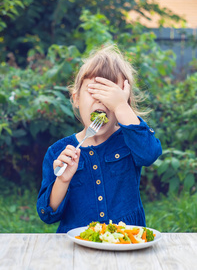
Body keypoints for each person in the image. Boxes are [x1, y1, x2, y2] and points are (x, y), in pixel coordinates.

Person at [37, 44, 162, 233]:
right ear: (76, 98)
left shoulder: (129, 140)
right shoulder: (58, 152)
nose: (102, 100)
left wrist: (121, 107)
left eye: (111, 94)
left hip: (125, 240)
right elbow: (48, 214)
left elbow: (150, 153)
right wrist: (62, 181)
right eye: (94, 90)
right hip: (78, 245)